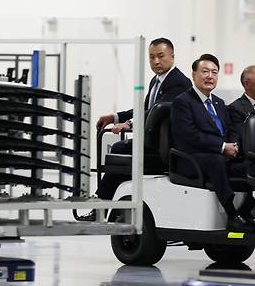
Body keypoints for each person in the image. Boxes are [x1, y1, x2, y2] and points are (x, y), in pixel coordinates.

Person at [76, 38, 191, 221]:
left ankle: (103, 204)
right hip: (154, 142)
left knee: (119, 149)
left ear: (172, 57)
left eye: (161, 56)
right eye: (152, 57)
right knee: (120, 151)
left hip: (165, 147)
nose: (156, 61)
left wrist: (128, 124)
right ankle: (106, 203)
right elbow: (144, 109)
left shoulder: (178, 82)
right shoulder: (157, 80)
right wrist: (115, 117)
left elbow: (157, 111)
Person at [170, 54, 255, 232]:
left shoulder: (219, 103)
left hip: (220, 155)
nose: (210, 76)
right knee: (216, 161)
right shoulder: (182, 102)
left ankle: (246, 211)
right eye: (204, 71)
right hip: (192, 159)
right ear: (194, 75)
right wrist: (222, 147)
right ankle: (232, 215)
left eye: (214, 72)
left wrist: (233, 144)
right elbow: (189, 135)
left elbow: (231, 128)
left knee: (254, 165)